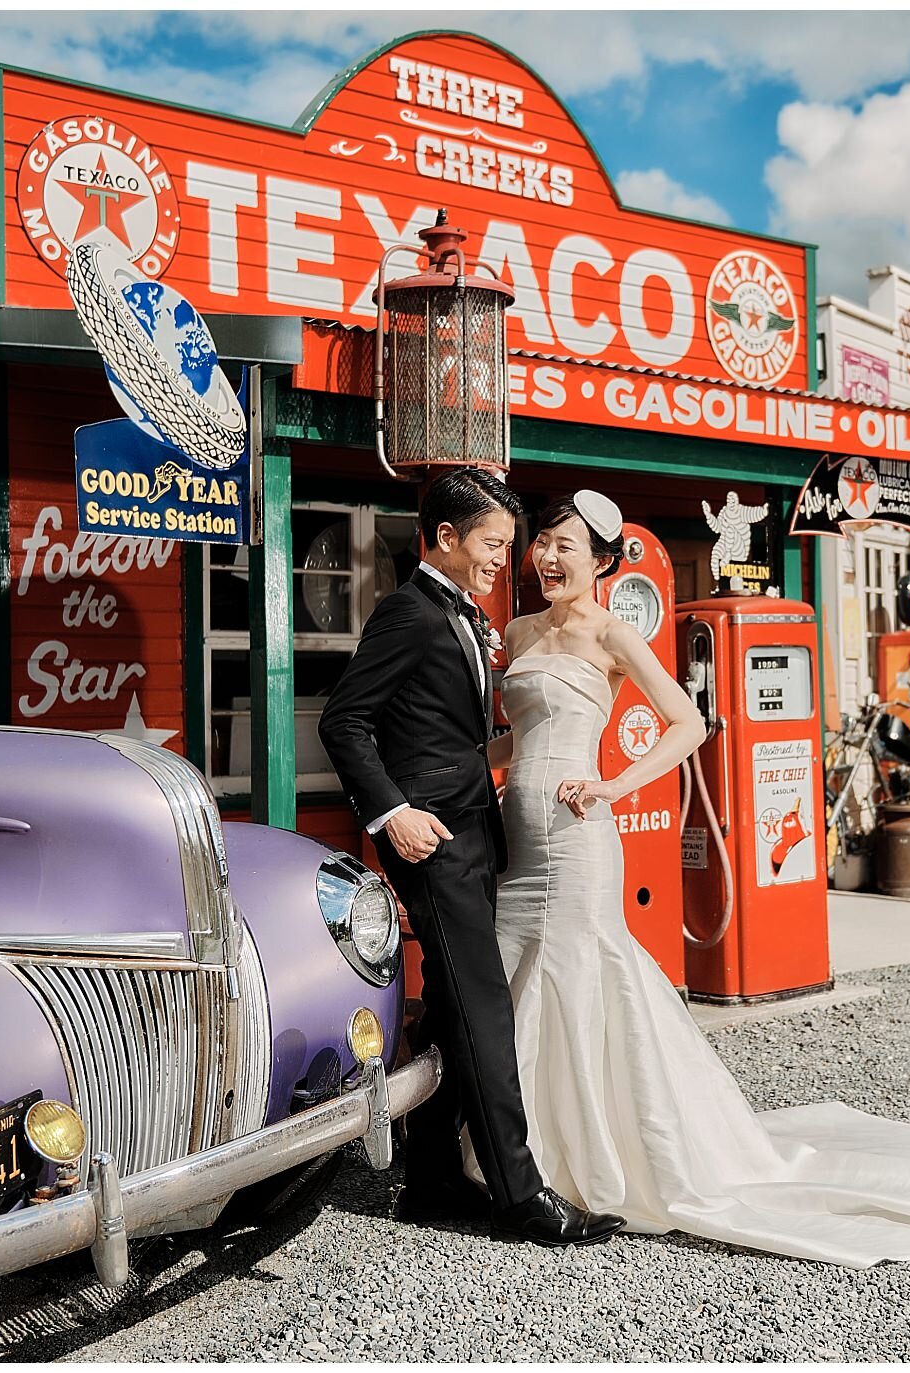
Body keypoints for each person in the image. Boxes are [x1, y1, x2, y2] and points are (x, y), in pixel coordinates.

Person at [479, 489, 910, 1267]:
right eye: (542, 543)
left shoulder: (614, 632)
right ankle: (513, 1157)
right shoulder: (521, 631)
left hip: (578, 840)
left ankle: (582, 1162)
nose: (548, 558)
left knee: (576, 983)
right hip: (517, 847)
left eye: (566, 546)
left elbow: (691, 723)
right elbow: (514, 744)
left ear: (600, 561)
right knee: (511, 980)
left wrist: (613, 787)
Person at [318, 467, 625, 1249]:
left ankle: (431, 1180)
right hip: (437, 843)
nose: (503, 560)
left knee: (457, 1011)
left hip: (478, 836)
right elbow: (345, 720)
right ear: (446, 538)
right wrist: (393, 813)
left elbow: (452, 737)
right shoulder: (408, 612)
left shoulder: (459, 613)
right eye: (492, 545)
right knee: (487, 1011)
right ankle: (523, 1196)